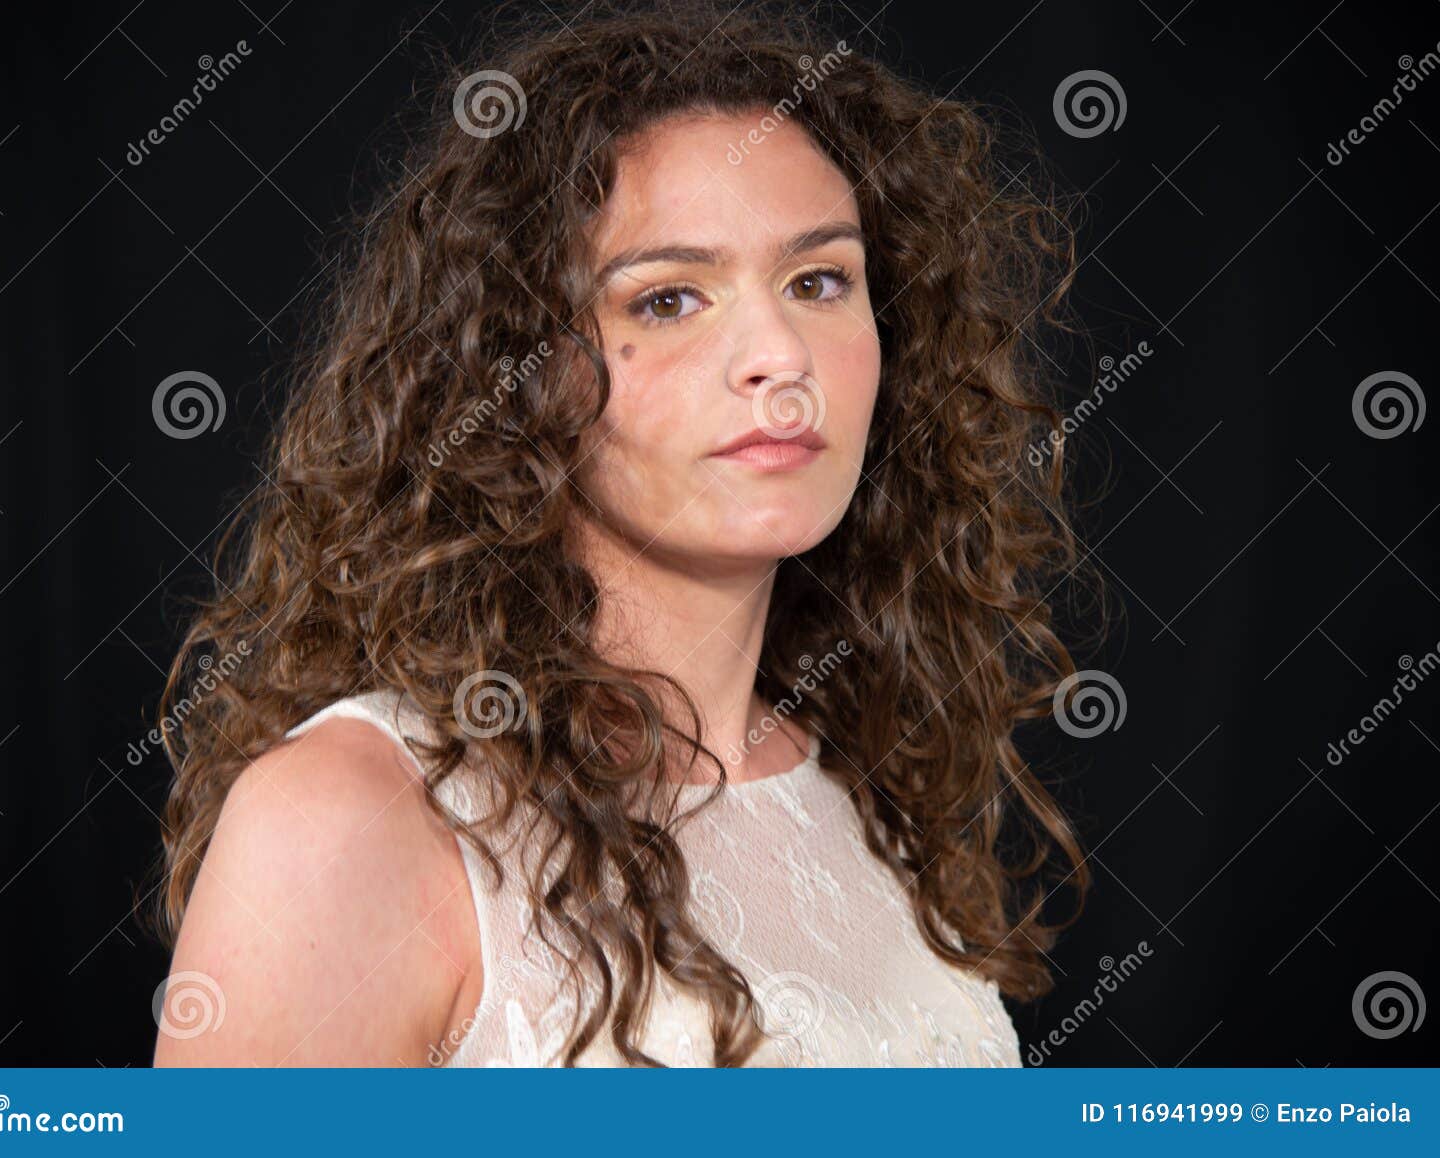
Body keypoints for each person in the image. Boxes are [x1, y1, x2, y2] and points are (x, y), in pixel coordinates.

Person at [150, 0, 1092, 1067]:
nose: (778, 354)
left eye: (819, 280)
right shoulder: (351, 820)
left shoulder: (868, 796)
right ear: (519, 370)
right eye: (668, 299)